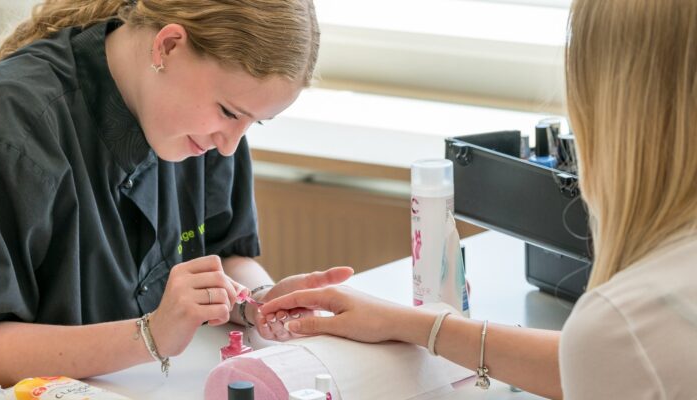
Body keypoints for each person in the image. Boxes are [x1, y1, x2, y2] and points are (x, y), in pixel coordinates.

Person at [0, 0, 355, 398]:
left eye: (253, 122)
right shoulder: (8, 132)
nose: (230, 143)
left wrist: (258, 303)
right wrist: (151, 335)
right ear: (169, 45)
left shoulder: (206, 125)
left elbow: (225, 254)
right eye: (230, 112)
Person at [260, 1, 697, 399]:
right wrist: (405, 322)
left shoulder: (626, 319)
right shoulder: (639, 324)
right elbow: (616, 362)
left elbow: (616, 349)